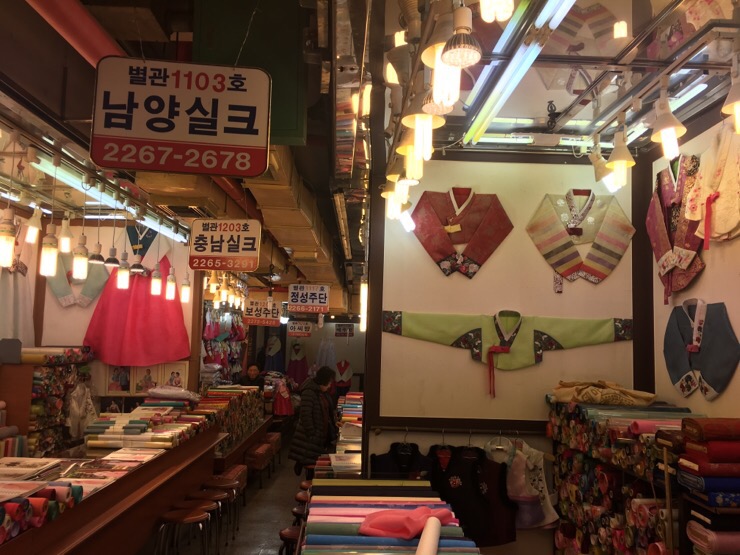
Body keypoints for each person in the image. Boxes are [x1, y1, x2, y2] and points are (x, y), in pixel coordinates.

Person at [288, 366, 337, 476]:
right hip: (309, 437)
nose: (330, 385)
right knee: (311, 462)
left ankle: (302, 463)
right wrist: (312, 434)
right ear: (323, 380)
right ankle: (302, 466)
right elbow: (305, 415)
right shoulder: (309, 392)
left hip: (317, 434)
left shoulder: (320, 392)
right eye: (329, 383)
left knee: (312, 459)